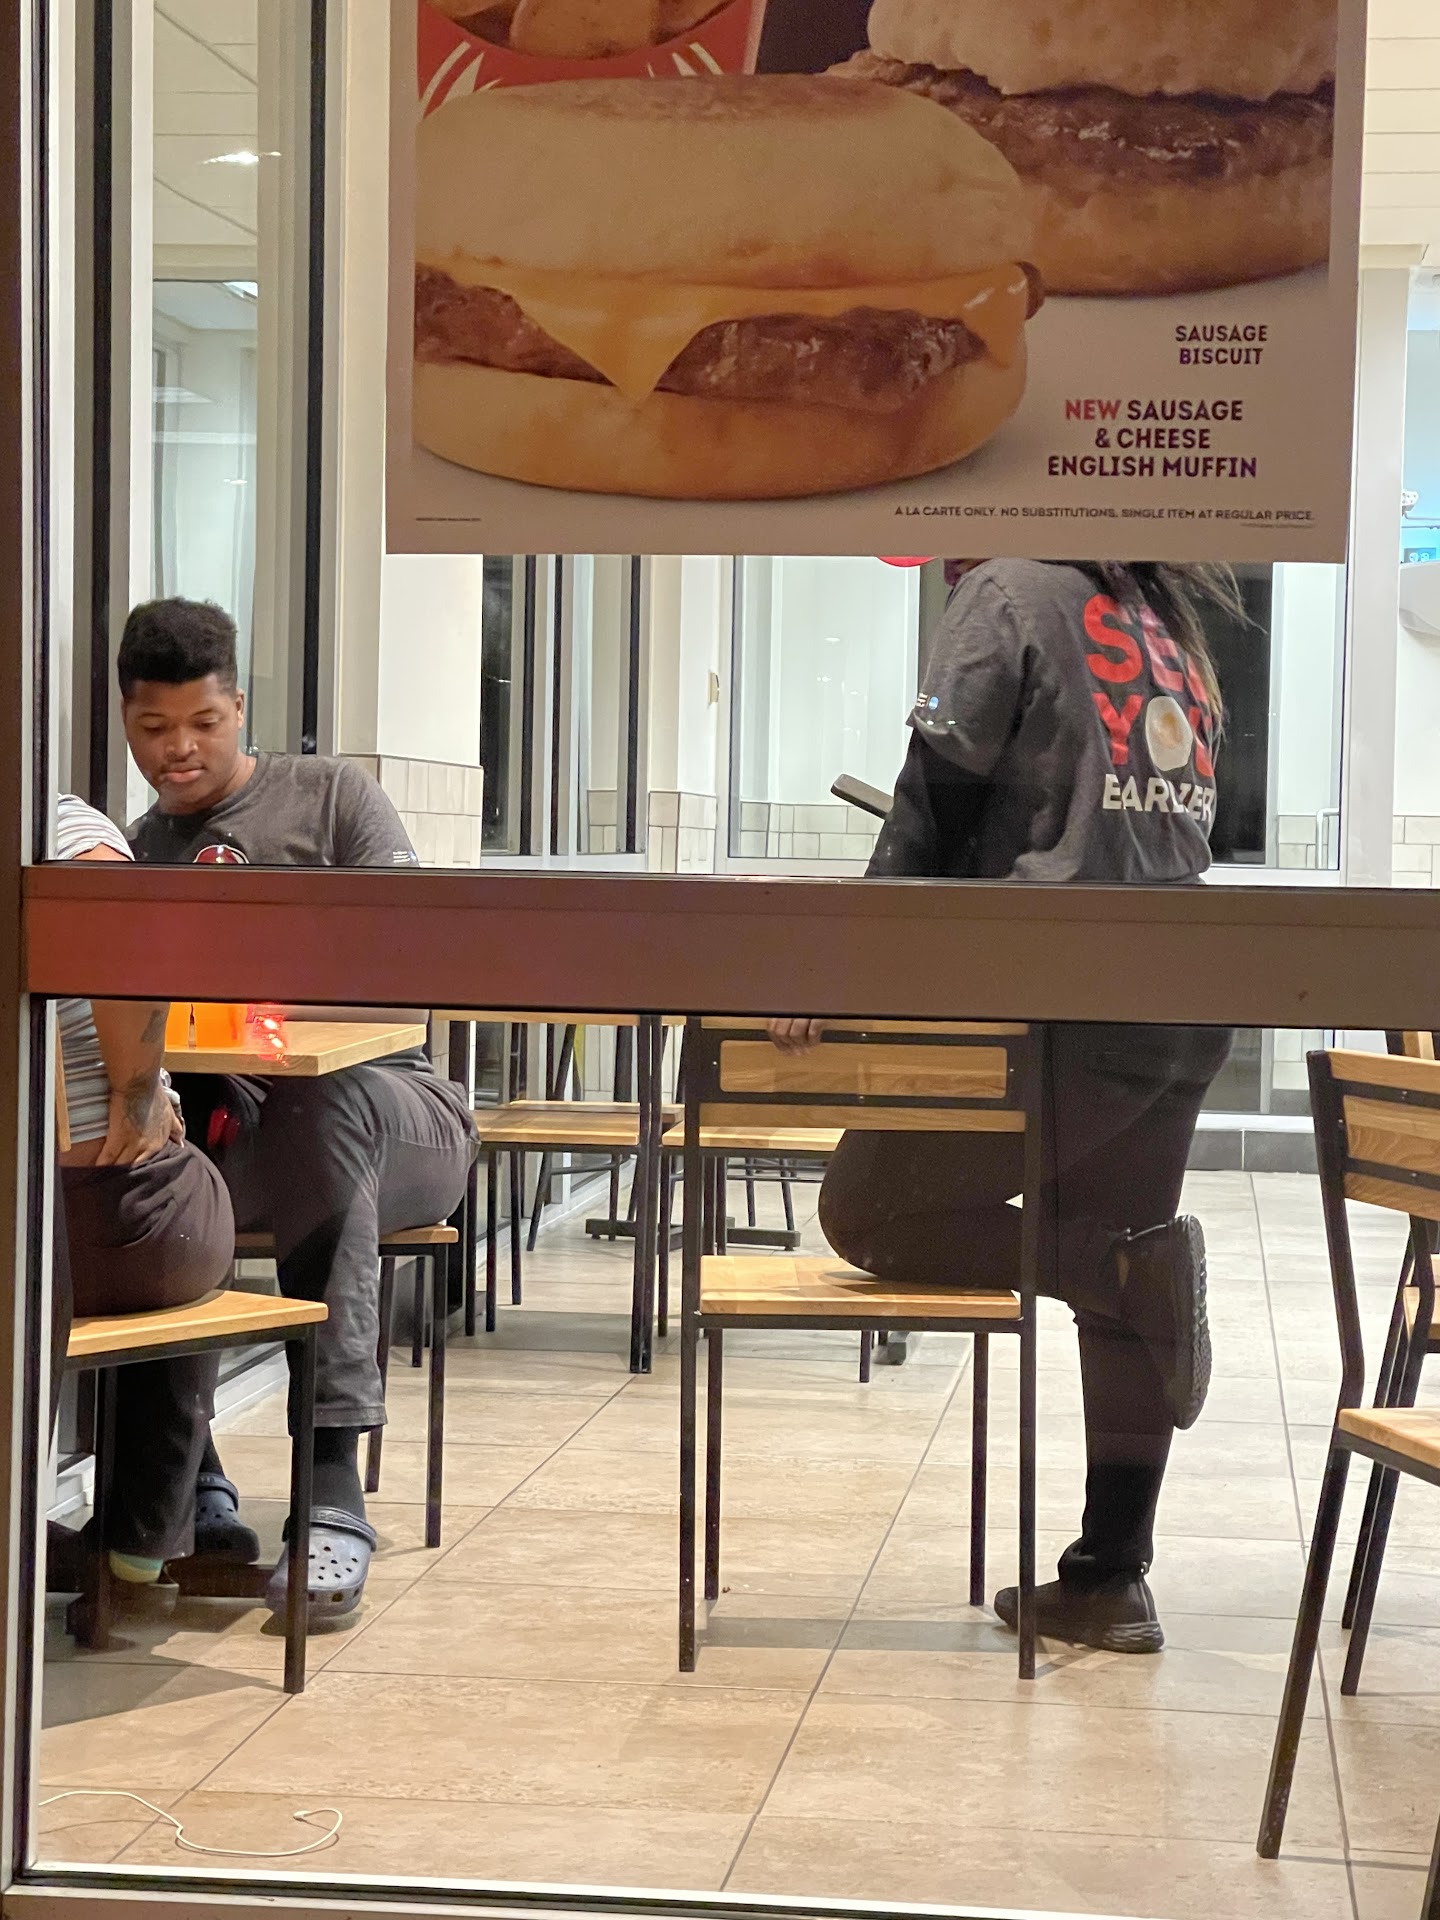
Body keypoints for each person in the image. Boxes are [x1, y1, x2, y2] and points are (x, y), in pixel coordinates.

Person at [770, 559, 1236, 1655]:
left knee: (867, 1210)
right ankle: (1111, 1578)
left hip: (1062, 997)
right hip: (1189, 985)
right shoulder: (1159, 615)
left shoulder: (1008, 592)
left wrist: (845, 968)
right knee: (1123, 1271)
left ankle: (1120, 1271)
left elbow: (931, 801)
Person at [118, 597, 477, 1625]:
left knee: (326, 1102)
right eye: (153, 728)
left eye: (204, 723)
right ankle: (191, 1485)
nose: (180, 750)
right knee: (143, 1163)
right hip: (246, 1132)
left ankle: (330, 1480)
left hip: (400, 1112)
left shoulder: (333, 798)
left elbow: (412, 964)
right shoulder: (136, 853)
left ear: (240, 708)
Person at [49, 793, 242, 1610]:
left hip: (29, 1233)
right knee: (189, 1198)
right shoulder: (67, 833)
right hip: (94, 1221)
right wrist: (137, 1093)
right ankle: (143, 1532)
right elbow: (118, 931)